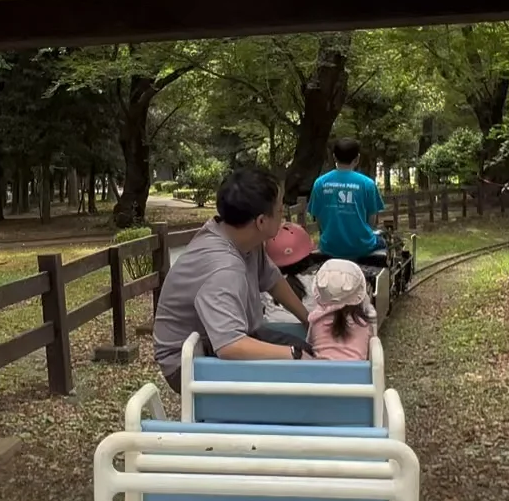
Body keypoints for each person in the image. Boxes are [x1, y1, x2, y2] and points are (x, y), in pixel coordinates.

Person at [153, 166, 310, 390]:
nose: (283, 215)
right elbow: (230, 346)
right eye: (279, 209)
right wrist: (294, 355)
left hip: (230, 337)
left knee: (307, 352)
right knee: (301, 368)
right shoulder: (223, 269)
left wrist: (309, 319)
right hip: (188, 362)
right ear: (261, 221)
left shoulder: (242, 237)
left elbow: (272, 279)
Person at [308, 139, 394, 325]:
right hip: (362, 246)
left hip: (329, 245)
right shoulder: (367, 184)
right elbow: (371, 221)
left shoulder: (320, 183)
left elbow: (319, 219)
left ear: (333, 158)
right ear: (357, 159)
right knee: (385, 242)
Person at [307, 258, 377, 362]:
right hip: (357, 376)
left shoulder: (316, 321)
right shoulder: (365, 325)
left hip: (319, 375)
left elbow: (309, 348)